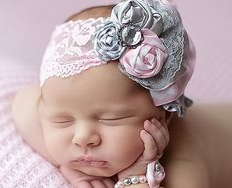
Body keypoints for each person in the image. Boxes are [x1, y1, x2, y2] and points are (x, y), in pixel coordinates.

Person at [11, 0, 199, 187]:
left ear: (165, 114)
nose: (83, 138)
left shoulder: (184, 161)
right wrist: (70, 168)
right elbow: (23, 103)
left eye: (111, 119)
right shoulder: (46, 108)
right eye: (62, 120)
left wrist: (135, 177)